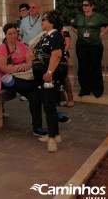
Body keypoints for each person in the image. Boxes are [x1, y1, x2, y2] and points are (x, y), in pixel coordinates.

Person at [0, 23, 47, 137]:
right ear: (6, 35)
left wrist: (26, 66)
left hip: (23, 77)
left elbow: (29, 61)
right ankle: (42, 94)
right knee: (35, 89)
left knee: (34, 98)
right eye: (10, 34)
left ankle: (37, 127)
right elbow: (2, 68)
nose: (13, 35)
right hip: (8, 79)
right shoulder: (2, 48)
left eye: (14, 33)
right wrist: (18, 67)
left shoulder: (22, 45)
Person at [30, 10, 68, 153]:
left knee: (49, 107)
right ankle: (55, 135)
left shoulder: (56, 35)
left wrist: (50, 72)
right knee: (48, 104)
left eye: (44, 19)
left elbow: (57, 55)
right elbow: (42, 54)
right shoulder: (46, 36)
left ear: (52, 22)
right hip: (43, 76)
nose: (41, 21)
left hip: (50, 76)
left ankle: (52, 139)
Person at [71, 0, 108, 98]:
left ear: (92, 6)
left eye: (86, 5)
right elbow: (73, 26)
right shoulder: (79, 16)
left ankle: (97, 90)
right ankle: (85, 89)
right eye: (83, 5)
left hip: (95, 45)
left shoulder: (98, 17)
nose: (84, 7)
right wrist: (79, 33)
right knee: (83, 67)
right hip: (81, 45)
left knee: (95, 67)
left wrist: (102, 33)